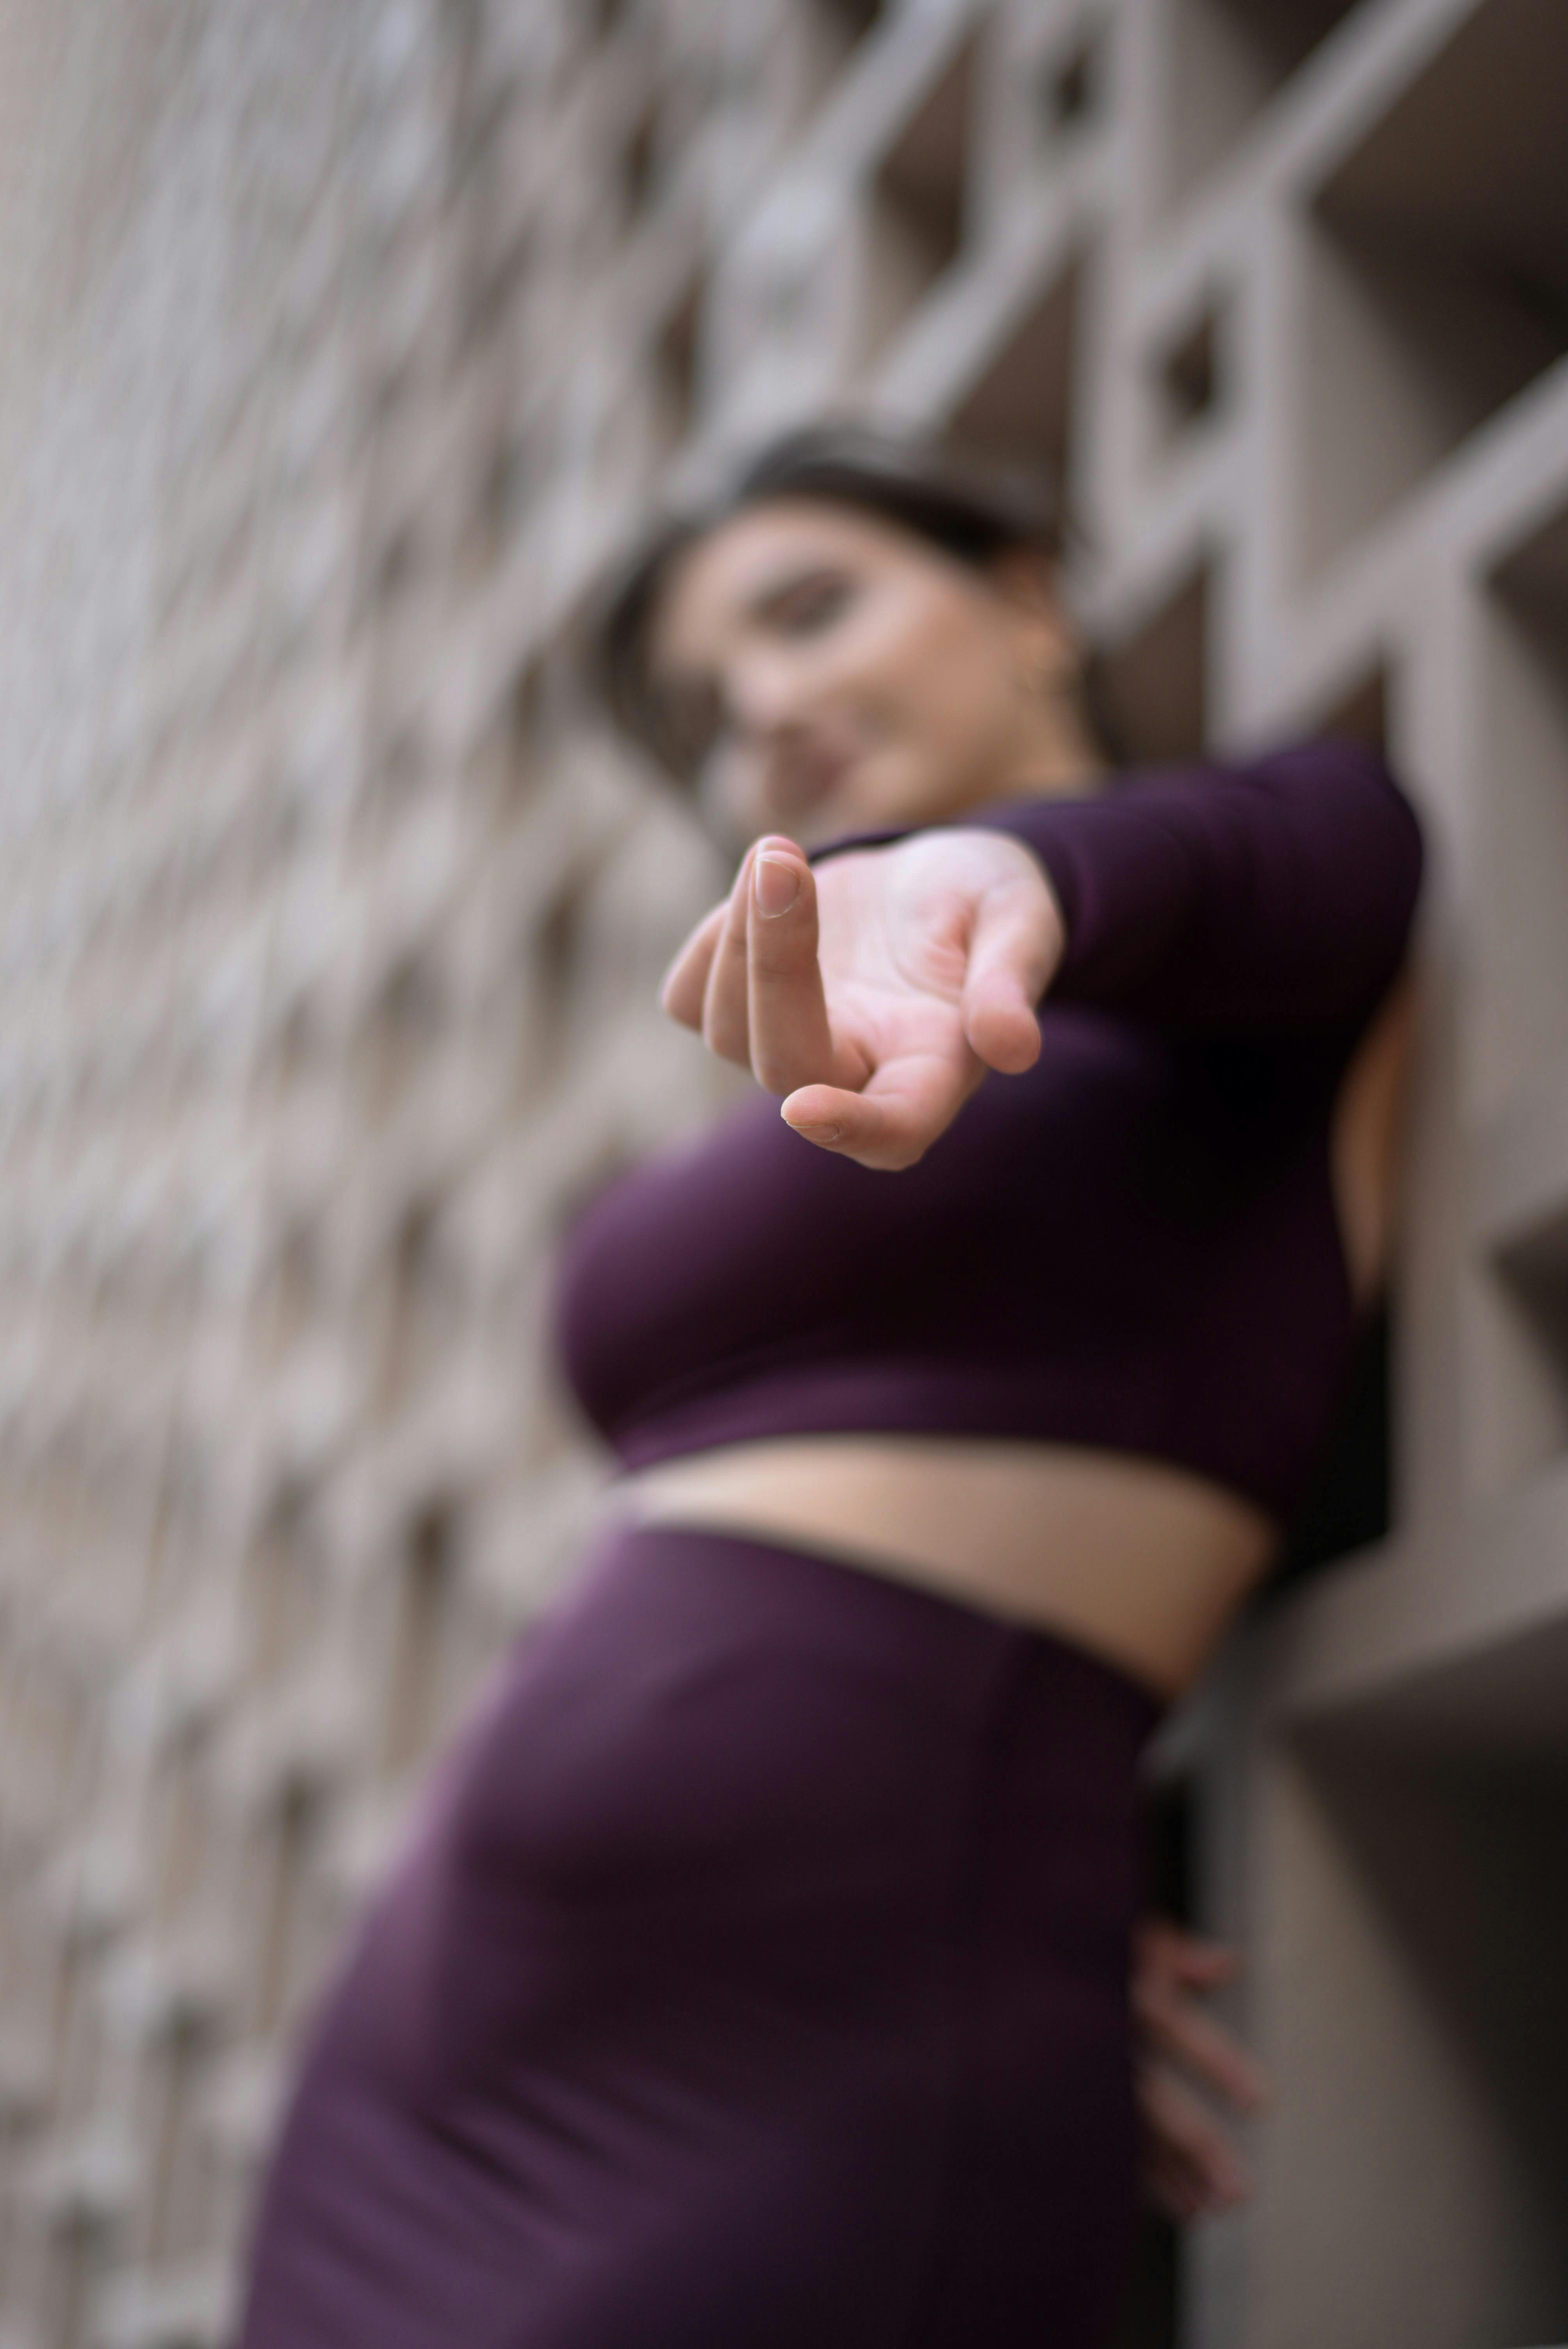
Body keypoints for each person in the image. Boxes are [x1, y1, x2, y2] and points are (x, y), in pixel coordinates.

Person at [237, 426, 1423, 2347]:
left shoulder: (1253, 894)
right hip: (442, 2055)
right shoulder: (823, 1073)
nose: (766, 707)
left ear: (1028, 599)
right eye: (712, 706)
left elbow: (1296, 859)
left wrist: (993, 870)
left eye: (811, 610)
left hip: (820, 2052)